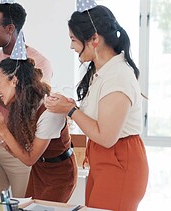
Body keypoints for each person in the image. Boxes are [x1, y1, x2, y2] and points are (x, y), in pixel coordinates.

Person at [45, 5, 148, 211]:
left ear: (94, 39)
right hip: (104, 161)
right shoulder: (102, 72)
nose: (71, 47)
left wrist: (71, 110)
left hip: (119, 162)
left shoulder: (117, 75)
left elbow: (106, 137)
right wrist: (71, 106)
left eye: (74, 39)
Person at [0, 2, 54, 197]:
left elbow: (33, 106)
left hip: (20, 145)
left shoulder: (39, 63)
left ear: (10, 28)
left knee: (24, 203)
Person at [0, 58, 77, 202]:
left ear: (14, 81)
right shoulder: (21, 105)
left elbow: (29, 158)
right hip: (40, 169)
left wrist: (2, 129)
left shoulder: (49, 111)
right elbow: (18, 149)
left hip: (59, 174)